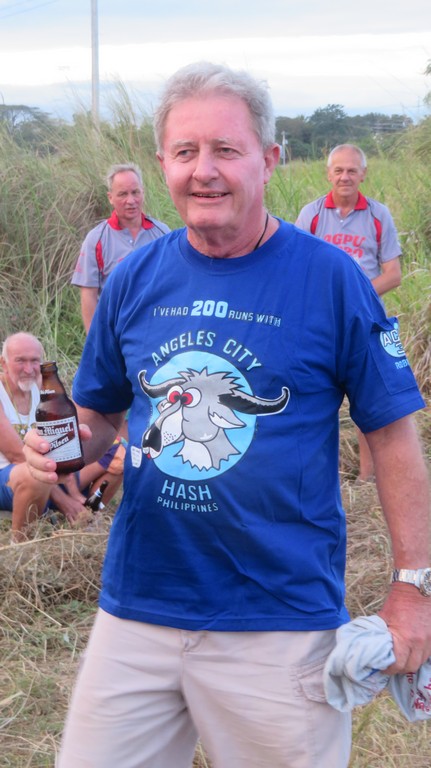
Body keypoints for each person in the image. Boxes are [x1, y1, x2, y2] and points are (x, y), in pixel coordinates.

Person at [24, 63, 431, 768]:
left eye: (225, 149)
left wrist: (413, 587)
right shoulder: (135, 277)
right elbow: (99, 417)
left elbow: (393, 437)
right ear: (163, 164)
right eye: (185, 152)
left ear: (268, 160)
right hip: (138, 608)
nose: (203, 171)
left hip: (278, 622)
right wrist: (56, 445)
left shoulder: (330, 279)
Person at [296, 144, 402, 482]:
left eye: (352, 170)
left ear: (363, 175)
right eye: (339, 170)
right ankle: (318, 473)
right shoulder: (311, 215)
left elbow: (393, 274)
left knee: (367, 401)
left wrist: (352, 297)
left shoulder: (378, 215)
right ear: (328, 174)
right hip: (321, 323)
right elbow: (296, 268)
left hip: (366, 321)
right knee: (314, 398)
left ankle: (367, 478)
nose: (345, 176)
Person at [0, 332, 122, 541]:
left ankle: (87, 515)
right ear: (4, 363)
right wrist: (65, 500)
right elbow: (18, 456)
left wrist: (74, 494)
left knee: (118, 454)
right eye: (20, 361)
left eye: (34, 361)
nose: (28, 369)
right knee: (33, 474)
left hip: (51, 474)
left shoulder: (44, 388)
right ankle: (20, 542)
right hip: (10, 477)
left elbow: (68, 439)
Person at [71, 162, 170, 334]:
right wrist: (95, 341)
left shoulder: (163, 234)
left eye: (135, 192)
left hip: (157, 329)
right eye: (123, 194)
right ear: (110, 198)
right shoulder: (96, 239)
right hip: (116, 331)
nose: (131, 201)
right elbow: (88, 294)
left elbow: (173, 284)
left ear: (143, 193)